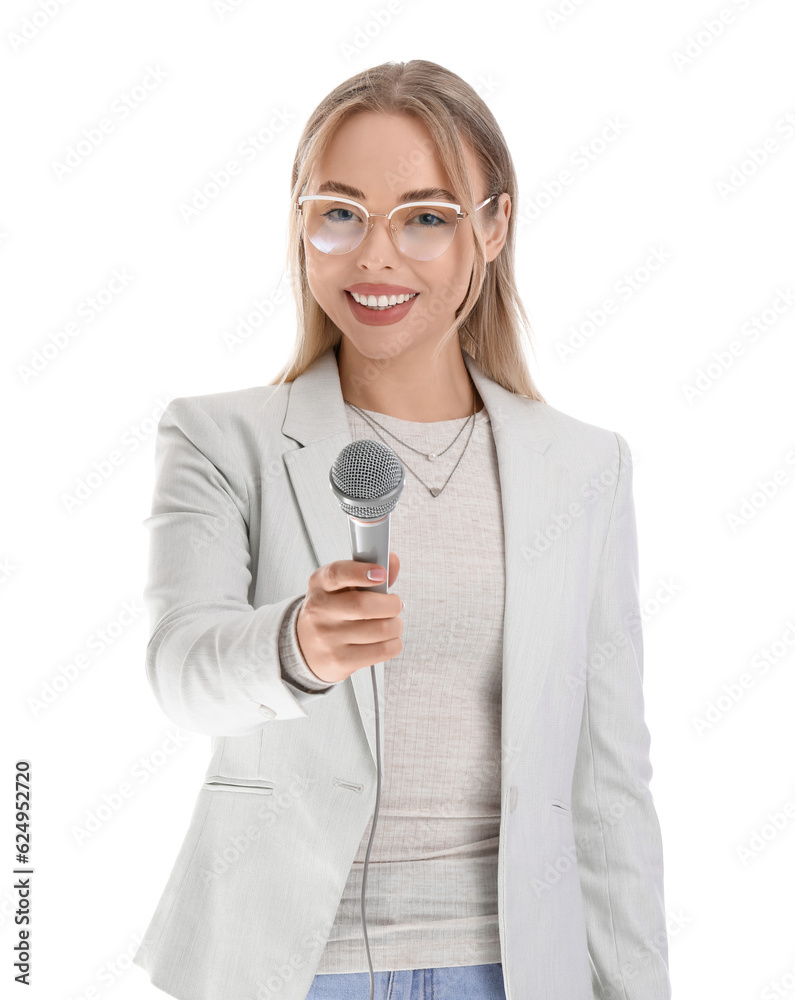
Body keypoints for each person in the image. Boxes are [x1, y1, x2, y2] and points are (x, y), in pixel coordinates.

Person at [132, 60, 672, 1000]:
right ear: (301, 226)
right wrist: (293, 644)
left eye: (425, 216)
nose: (374, 257)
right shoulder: (219, 437)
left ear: (492, 229)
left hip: (510, 967)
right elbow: (181, 673)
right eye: (339, 212)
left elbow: (608, 781)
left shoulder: (585, 468)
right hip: (287, 967)